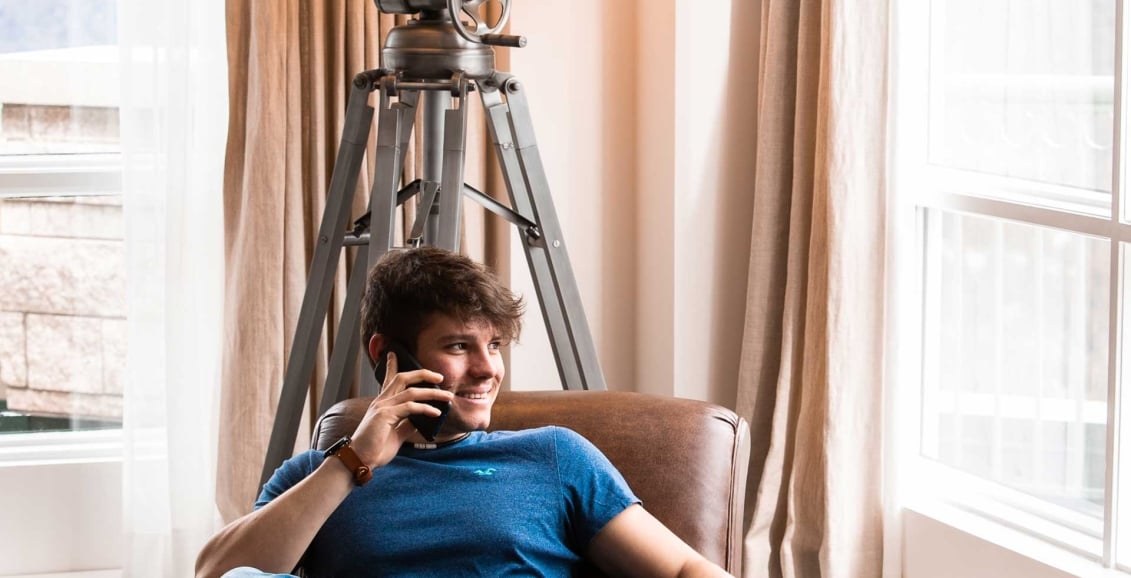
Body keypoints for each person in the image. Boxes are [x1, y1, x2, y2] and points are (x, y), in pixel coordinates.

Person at [195, 247, 731, 578]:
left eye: (494, 345)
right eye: (457, 347)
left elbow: (683, 568)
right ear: (389, 356)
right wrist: (349, 463)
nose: (487, 370)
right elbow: (220, 574)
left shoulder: (553, 456)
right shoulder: (318, 475)